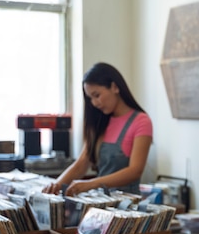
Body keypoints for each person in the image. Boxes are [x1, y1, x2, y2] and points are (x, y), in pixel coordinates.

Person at [43, 62, 152, 197]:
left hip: (128, 205)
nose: (94, 103)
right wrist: (57, 184)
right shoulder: (101, 122)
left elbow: (135, 170)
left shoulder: (141, 121)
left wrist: (92, 183)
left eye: (97, 95)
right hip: (102, 202)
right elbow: (82, 163)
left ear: (115, 87)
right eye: (90, 98)